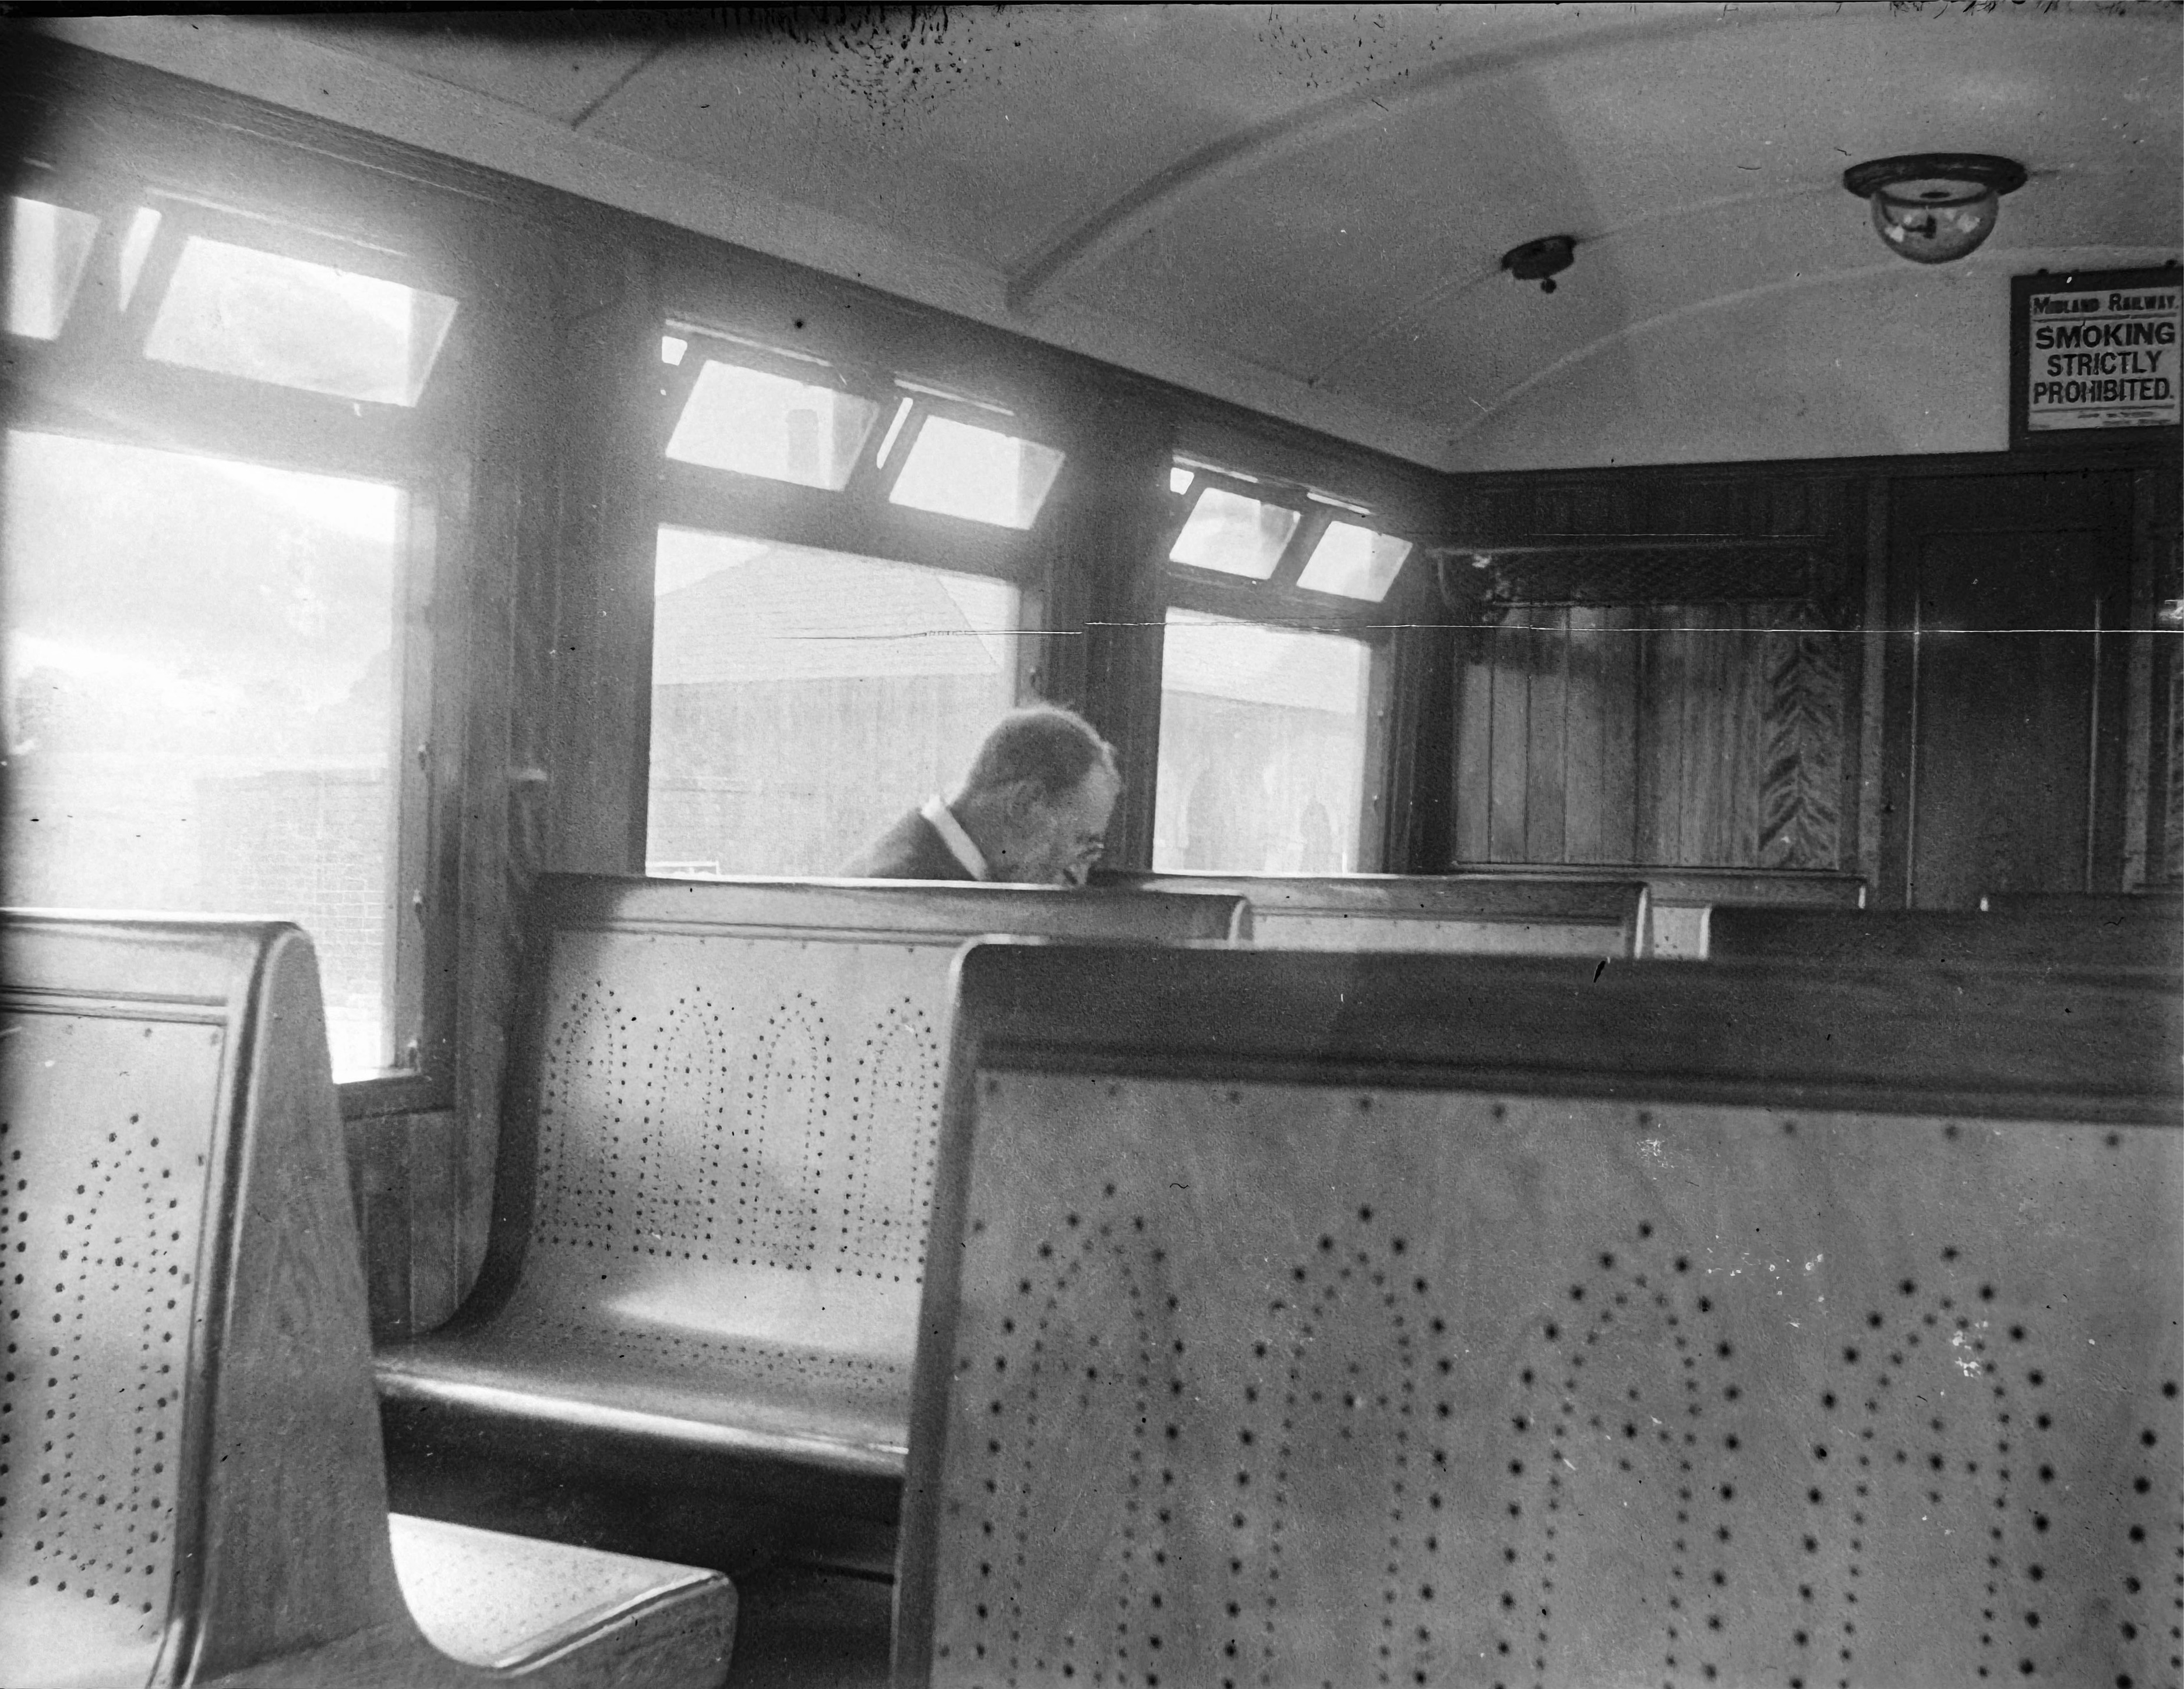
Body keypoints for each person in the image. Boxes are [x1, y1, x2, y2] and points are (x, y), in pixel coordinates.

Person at [841, 704, 1121, 885]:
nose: (1077, 877)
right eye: (1081, 845)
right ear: (1024, 805)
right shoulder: (905, 894)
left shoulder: (926, 860)